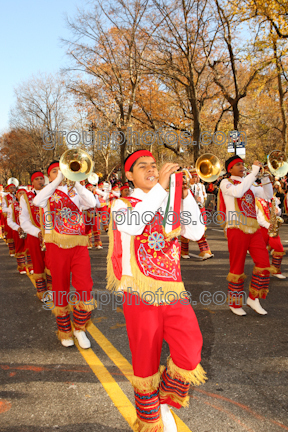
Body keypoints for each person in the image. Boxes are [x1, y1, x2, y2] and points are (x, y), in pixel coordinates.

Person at [107, 149, 207, 432]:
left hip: (173, 290)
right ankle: (150, 421)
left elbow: (197, 233)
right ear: (129, 176)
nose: (151, 170)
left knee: (190, 352)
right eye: (143, 167)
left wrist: (183, 194)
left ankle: (163, 399)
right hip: (140, 294)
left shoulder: (169, 201)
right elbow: (135, 223)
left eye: (154, 165)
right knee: (145, 362)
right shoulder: (121, 204)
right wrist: (163, 187)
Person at [34, 161, 98, 349]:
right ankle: (65, 331)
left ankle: (79, 328)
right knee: (60, 288)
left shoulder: (76, 190)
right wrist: (57, 181)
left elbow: (92, 203)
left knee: (85, 287)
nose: (60, 173)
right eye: (55, 171)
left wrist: (76, 182)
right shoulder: (47, 191)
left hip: (78, 244)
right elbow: (37, 202)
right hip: (56, 245)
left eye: (62, 169)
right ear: (49, 176)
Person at [219, 155, 275, 316]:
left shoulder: (249, 184)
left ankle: (253, 298)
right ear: (230, 169)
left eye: (243, 164)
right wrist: (254, 173)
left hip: (253, 228)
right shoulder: (226, 183)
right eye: (238, 165)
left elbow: (267, 195)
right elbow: (237, 192)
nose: (243, 167)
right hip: (236, 228)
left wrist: (264, 176)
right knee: (237, 266)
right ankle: (235, 303)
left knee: (264, 263)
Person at [19, 171, 49, 300]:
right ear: (32, 182)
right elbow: (24, 220)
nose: (40, 181)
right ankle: (43, 292)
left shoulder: (51, 194)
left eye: (41, 179)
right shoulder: (25, 197)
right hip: (34, 234)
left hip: (50, 235)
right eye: (36, 179)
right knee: (38, 263)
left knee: (52, 263)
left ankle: (53, 289)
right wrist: (37, 232)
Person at [181, 170, 214, 260]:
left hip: (199, 209)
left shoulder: (200, 186)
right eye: (194, 176)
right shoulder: (184, 187)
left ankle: (205, 251)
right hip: (188, 211)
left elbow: (204, 197)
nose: (196, 178)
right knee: (186, 230)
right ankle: (184, 251)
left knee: (200, 229)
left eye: (197, 177)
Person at [256, 196, 286, 279]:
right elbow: (256, 217)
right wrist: (267, 225)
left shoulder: (272, 199)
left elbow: (278, 211)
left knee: (279, 248)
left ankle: (276, 271)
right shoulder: (256, 200)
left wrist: (278, 211)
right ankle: (261, 272)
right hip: (262, 228)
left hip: (272, 228)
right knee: (261, 252)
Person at [7, 188, 30, 274]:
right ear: (16, 196)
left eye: (24, 193)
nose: (22, 195)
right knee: (20, 248)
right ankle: (22, 267)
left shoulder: (30, 204)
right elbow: (9, 220)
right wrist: (17, 228)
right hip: (18, 230)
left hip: (29, 230)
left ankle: (31, 266)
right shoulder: (12, 206)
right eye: (20, 193)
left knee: (30, 248)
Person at [2, 184, 16, 256]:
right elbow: (4, 208)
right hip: (10, 216)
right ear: (8, 189)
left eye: (14, 187)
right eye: (11, 188)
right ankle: (12, 250)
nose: (13, 189)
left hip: (17, 217)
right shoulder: (5, 197)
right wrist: (12, 209)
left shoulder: (18, 196)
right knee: (10, 233)